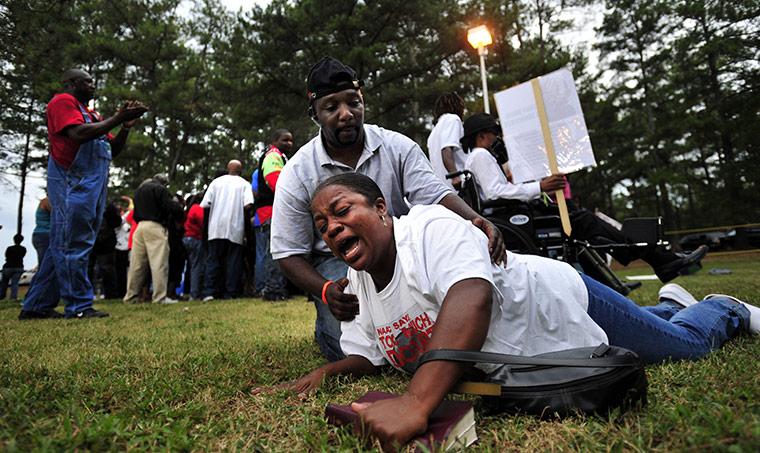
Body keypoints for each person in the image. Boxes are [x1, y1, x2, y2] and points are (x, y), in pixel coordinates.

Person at [257, 173, 757, 451]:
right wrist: (325, 371)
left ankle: (722, 308)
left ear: (383, 209)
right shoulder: (362, 283)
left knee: (688, 350)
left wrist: (416, 402)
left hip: (562, 302)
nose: (333, 228)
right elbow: (370, 355)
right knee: (654, 327)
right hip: (529, 345)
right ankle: (668, 306)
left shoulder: (429, 226)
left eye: (343, 210)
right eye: (323, 224)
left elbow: (471, 295)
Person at [270, 56, 505, 362]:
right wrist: (326, 292)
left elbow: (434, 195)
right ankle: (328, 323)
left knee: (430, 322)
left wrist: (476, 219)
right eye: (331, 108)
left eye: (353, 102)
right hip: (337, 263)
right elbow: (287, 252)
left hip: (399, 250)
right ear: (314, 114)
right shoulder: (298, 172)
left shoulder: (397, 146)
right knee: (345, 346)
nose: (346, 114)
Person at [460, 112, 707, 283]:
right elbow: (495, 192)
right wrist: (541, 186)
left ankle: (636, 265)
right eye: (494, 133)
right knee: (584, 222)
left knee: (575, 220)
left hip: (514, 212)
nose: (497, 139)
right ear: (483, 135)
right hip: (512, 216)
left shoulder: (479, 158)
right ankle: (647, 255)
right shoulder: (481, 156)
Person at [19, 69, 148, 320]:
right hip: (73, 184)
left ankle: (35, 306)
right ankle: (79, 306)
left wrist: (124, 127)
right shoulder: (63, 102)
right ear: (70, 83)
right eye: (87, 81)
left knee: (62, 247)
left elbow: (111, 148)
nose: (93, 85)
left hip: (91, 187)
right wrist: (116, 116)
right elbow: (77, 134)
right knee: (73, 245)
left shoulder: (91, 114)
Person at [123, 174, 184, 304]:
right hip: (155, 226)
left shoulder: (139, 191)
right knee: (158, 263)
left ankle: (130, 296)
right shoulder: (160, 190)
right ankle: (159, 297)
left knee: (136, 265)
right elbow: (171, 207)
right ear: (163, 182)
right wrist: (179, 210)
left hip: (139, 227)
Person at [200, 159, 254, 300]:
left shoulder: (216, 183)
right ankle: (230, 292)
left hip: (215, 228)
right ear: (240, 170)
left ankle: (209, 292)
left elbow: (205, 203)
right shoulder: (244, 184)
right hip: (234, 227)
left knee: (213, 260)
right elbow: (248, 205)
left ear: (228, 168)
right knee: (233, 262)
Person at [254, 129, 294, 301]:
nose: (289, 144)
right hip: (271, 210)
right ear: (275, 140)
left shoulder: (281, 156)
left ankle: (277, 288)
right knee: (274, 251)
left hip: (273, 209)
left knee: (275, 250)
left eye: (291, 140)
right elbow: (276, 182)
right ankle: (272, 290)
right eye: (285, 140)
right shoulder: (272, 155)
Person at [426, 91, 466, 191]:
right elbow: (446, 149)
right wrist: (455, 176)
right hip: (459, 186)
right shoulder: (453, 119)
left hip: (444, 188)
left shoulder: (434, 132)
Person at [182, 194, 205, 300]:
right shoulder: (198, 208)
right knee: (197, 267)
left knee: (192, 266)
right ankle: (195, 294)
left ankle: (190, 291)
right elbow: (202, 223)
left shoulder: (191, 208)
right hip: (195, 238)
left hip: (187, 238)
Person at [1, 234, 26, 301]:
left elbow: (6, 255)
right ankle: (13, 297)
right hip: (18, 267)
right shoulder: (23, 249)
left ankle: (2, 296)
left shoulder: (9, 248)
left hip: (8, 266)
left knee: (4, 283)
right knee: (14, 283)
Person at [32, 197, 51, 266]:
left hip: (42, 235)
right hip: (44, 235)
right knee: (46, 264)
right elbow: (59, 215)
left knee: (46, 264)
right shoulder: (47, 201)